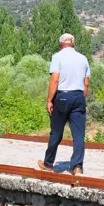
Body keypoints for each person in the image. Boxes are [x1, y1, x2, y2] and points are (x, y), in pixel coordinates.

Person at [37, 33, 90, 176]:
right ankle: (77, 167)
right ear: (73, 43)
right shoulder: (83, 58)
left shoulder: (57, 57)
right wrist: (79, 98)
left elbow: (55, 79)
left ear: (61, 44)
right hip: (79, 97)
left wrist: (49, 100)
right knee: (79, 135)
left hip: (62, 97)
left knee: (56, 132)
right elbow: (86, 83)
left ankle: (48, 164)